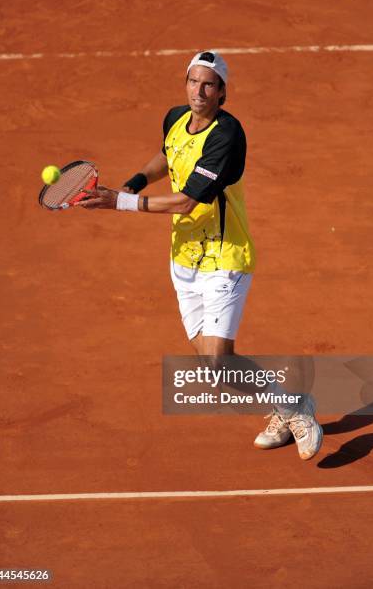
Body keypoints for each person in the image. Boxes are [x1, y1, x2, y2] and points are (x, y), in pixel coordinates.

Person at [77, 50, 323, 460]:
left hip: (224, 258)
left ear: (222, 92)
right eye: (193, 81)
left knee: (217, 360)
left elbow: (186, 202)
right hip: (184, 259)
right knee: (213, 368)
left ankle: (295, 406)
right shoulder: (175, 117)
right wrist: (135, 181)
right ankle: (284, 406)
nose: (199, 91)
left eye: (208, 84)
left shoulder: (227, 136)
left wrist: (119, 202)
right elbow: (168, 153)